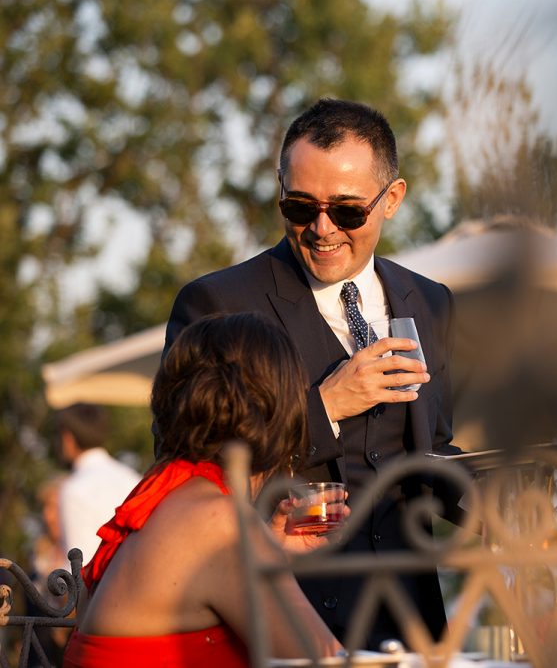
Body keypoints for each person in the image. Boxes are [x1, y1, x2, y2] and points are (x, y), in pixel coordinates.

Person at [162, 98, 461, 647]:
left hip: (411, 624)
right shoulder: (216, 303)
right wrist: (323, 406)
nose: (322, 229)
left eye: (347, 211)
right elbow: (184, 470)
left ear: (391, 199)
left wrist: (500, 498)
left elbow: (430, 452)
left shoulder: (432, 303)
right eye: (300, 207)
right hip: (283, 619)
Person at [63, 312, 343, 667]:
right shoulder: (219, 521)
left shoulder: (161, 491)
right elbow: (327, 660)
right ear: (280, 413)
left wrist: (269, 551)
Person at [54, 403, 141, 566]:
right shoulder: (133, 478)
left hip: (102, 589)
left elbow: (78, 568)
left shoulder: (74, 490)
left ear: (68, 439)